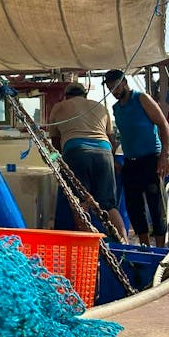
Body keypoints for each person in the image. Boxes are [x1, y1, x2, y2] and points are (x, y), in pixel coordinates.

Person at [48, 82, 127, 242]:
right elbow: (110, 139)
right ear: (85, 95)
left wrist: (56, 161)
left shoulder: (59, 107)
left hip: (76, 152)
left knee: (80, 203)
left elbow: (56, 145)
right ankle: (124, 243)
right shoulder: (99, 106)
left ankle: (89, 244)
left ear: (67, 96)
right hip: (104, 153)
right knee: (109, 205)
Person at [103, 69, 169, 247]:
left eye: (117, 87)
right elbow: (123, 136)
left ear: (125, 82)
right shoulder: (116, 109)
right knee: (134, 208)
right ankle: (144, 246)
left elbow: (163, 125)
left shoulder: (142, 99)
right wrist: (114, 158)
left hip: (151, 159)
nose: (115, 91)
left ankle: (160, 248)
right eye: (111, 89)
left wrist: (164, 156)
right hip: (130, 162)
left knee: (155, 205)